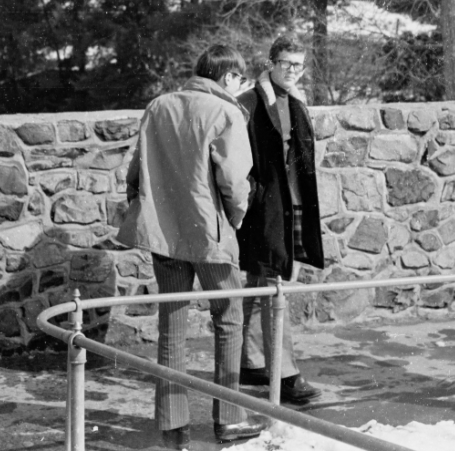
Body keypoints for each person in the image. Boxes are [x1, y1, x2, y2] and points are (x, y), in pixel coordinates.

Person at [116, 45, 266, 450]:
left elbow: (135, 171)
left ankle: (172, 427)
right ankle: (230, 418)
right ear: (229, 78)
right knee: (230, 317)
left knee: (172, 324)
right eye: (240, 80)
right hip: (209, 234)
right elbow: (234, 184)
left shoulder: (158, 105)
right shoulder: (226, 112)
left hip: (164, 233)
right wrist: (235, 219)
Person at [235, 34, 324, 405]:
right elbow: (234, 157)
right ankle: (285, 373)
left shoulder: (299, 103)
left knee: (262, 280)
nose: (292, 71)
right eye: (286, 63)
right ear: (270, 62)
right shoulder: (248, 102)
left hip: (292, 207)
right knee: (275, 285)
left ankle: (251, 361)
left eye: (298, 65)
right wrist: (252, 199)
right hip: (265, 210)